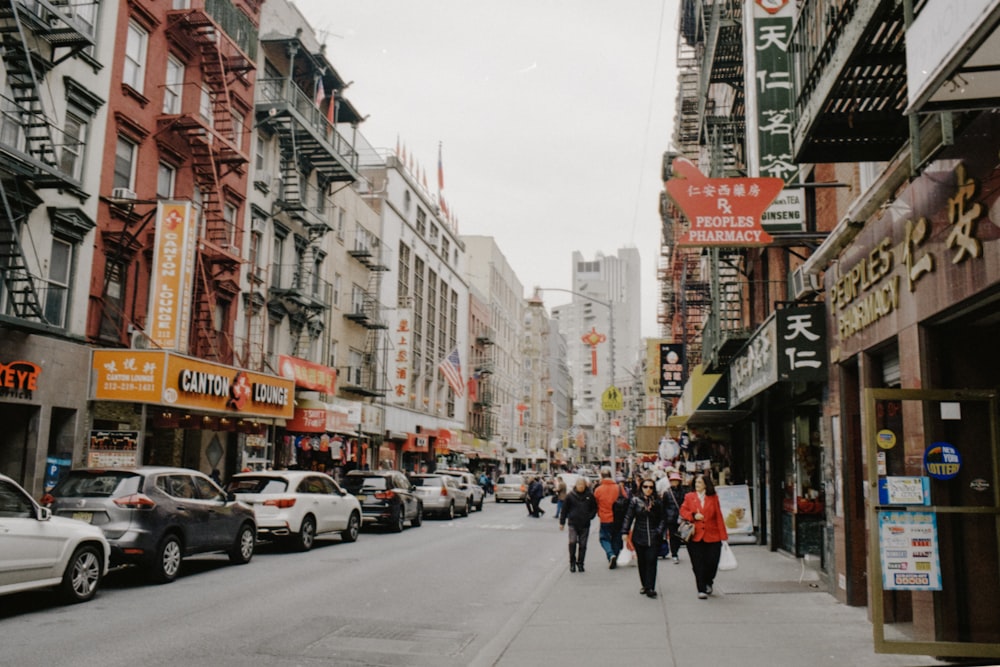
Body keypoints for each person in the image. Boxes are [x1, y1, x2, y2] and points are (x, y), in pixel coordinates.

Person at [679, 474, 729, 599]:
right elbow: (683, 511)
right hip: (695, 536)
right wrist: (693, 515)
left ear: (706, 484)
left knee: (712, 562)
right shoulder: (689, 497)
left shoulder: (713, 498)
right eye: (696, 483)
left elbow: (718, 516)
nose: (697, 485)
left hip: (712, 535)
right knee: (697, 563)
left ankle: (709, 581)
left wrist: (723, 536)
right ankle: (701, 588)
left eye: (700, 483)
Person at [620, 477, 666, 598]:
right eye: (645, 487)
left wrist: (659, 531)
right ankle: (645, 584)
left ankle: (650, 587)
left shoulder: (658, 501)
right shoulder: (635, 501)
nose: (648, 489)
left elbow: (663, 518)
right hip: (639, 535)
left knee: (651, 561)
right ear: (641, 488)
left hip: (653, 536)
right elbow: (628, 517)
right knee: (642, 562)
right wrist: (625, 531)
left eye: (651, 487)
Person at [560, 477, 597, 572]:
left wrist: (590, 516)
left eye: (582, 485)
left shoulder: (589, 496)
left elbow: (594, 508)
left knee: (583, 545)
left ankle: (580, 563)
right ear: (576, 485)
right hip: (573, 523)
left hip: (585, 524)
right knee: (572, 542)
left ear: (585, 486)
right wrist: (562, 522)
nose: (581, 487)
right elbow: (564, 510)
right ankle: (572, 562)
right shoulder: (570, 496)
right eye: (579, 485)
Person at [593, 468, 624, 568]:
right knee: (616, 538)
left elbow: (595, 504)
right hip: (618, 518)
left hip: (605, 517)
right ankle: (614, 555)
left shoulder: (598, 490)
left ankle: (611, 554)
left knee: (604, 538)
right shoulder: (618, 488)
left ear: (601, 476)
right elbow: (626, 499)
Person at [661, 471, 685, 563]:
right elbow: (664, 506)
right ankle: (674, 553)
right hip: (671, 518)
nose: (674, 482)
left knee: (680, 536)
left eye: (676, 480)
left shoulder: (683, 492)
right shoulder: (667, 493)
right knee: (672, 536)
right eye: (673, 481)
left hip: (682, 517)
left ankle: (676, 550)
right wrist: (664, 518)